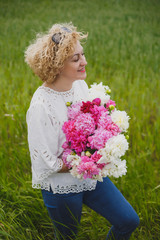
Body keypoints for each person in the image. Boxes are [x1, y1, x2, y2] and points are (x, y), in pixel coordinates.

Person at [25, 22, 139, 240]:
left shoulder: (79, 86)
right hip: (61, 188)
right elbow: (43, 162)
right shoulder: (41, 106)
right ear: (57, 65)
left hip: (90, 177)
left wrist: (105, 139)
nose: (84, 62)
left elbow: (90, 127)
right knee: (67, 237)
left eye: (82, 55)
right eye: (75, 59)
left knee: (128, 221)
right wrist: (85, 163)